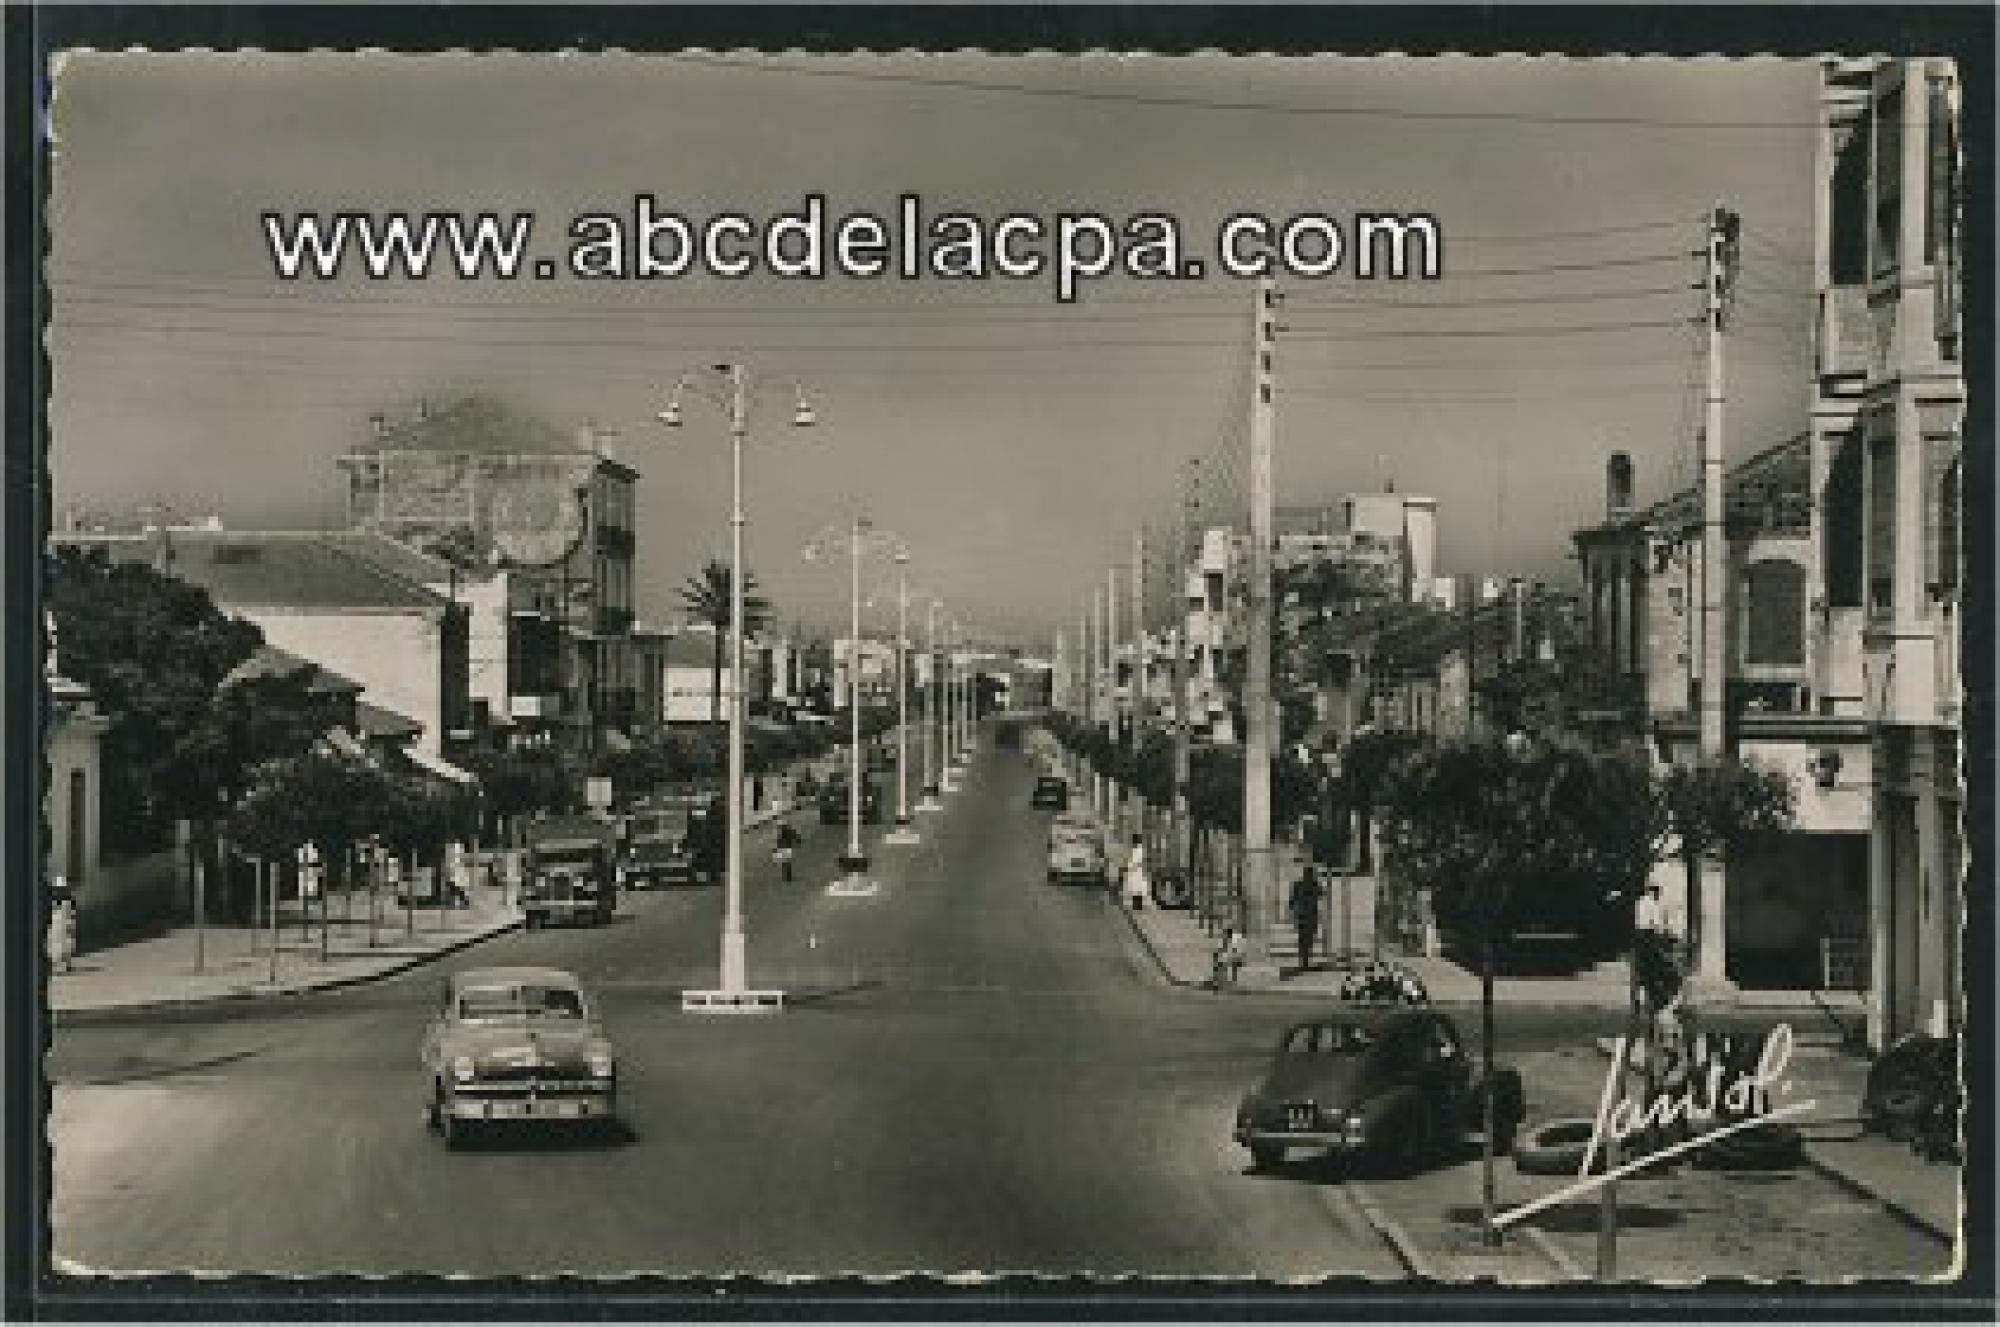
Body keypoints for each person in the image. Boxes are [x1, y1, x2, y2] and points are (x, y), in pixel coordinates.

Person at [1289, 864, 1324, 972]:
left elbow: (1292, 902)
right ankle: (1305, 961)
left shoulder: (1299, 885)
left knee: (1305, 939)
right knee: (1307, 939)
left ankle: (1304, 961)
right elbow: (1321, 894)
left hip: (1305, 915)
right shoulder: (1313, 885)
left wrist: (1294, 912)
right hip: (1308, 915)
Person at [46, 879, 77, 976]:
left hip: (64, 922)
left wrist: (71, 924)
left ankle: (68, 965)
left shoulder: (69, 901)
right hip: (55, 923)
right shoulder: (52, 900)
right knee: (53, 946)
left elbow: (72, 913)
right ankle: (53, 967)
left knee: (66, 945)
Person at [1121, 835, 1149, 910]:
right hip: (1136, 871)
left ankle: (1138, 905)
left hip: (1136, 871)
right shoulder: (1138, 849)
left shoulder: (1138, 850)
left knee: (1136, 888)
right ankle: (1137, 905)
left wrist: (1128, 866)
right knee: (1136, 889)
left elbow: (1136, 861)